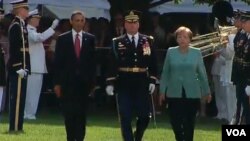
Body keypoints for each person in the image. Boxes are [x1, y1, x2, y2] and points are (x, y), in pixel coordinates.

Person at [105, 10, 158, 141]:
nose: (132, 25)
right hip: (124, 81)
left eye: (135, 23)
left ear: (139, 24)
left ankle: (138, 136)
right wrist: (110, 83)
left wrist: (152, 80)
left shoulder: (148, 41)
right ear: (125, 24)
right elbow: (112, 63)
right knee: (125, 115)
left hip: (141, 81)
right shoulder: (117, 42)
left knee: (145, 116)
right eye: (129, 23)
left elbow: (153, 63)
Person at [159, 26, 212, 141]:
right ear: (176, 38)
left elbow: (202, 73)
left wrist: (206, 91)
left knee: (189, 121)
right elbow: (165, 73)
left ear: (190, 39)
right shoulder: (171, 52)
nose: (182, 39)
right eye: (179, 37)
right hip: (174, 92)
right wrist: (162, 91)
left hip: (192, 92)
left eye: (185, 37)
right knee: (175, 120)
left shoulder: (196, 53)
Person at [53, 10, 96, 141]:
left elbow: (92, 63)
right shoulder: (63, 39)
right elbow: (57, 63)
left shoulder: (90, 39)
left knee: (82, 115)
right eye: (77, 20)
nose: (79, 23)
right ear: (71, 22)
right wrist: (57, 83)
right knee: (69, 114)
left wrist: (93, 83)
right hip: (67, 83)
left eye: (82, 20)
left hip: (84, 84)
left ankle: (80, 138)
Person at [24, 9, 59, 120]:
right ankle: (28, 113)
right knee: (31, 93)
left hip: (37, 67)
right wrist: (52, 28)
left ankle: (30, 113)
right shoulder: (28, 30)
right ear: (31, 19)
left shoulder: (32, 30)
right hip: (33, 67)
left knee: (35, 93)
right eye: (36, 19)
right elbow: (39, 38)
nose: (38, 21)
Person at [8, 0, 30, 132]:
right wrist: (18, 67)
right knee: (16, 99)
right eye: (25, 8)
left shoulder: (22, 25)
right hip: (18, 68)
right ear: (19, 10)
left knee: (21, 99)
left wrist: (26, 67)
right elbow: (15, 49)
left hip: (23, 66)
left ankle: (19, 126)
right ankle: (14, 127)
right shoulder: (16, 26)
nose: (27, 11)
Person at [231, 11, 250, 125]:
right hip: (242, 76)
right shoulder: (244, 35)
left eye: (245, 21)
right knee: (243, 104)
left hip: (247, 78)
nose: (242, 24)